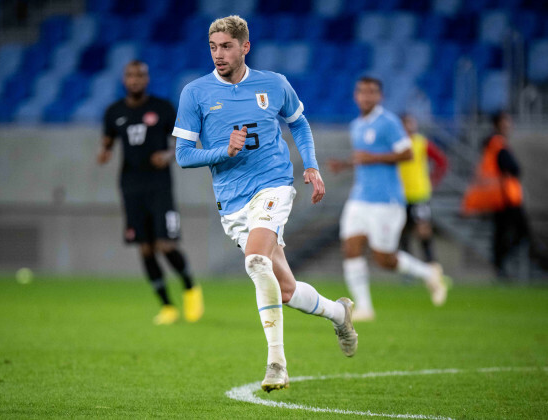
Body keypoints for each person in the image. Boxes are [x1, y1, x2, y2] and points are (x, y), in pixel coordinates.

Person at [173, 15, 358, 393]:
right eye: (213, 47)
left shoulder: (274, 84)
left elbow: (299, 123)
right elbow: (183, 155)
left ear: (245, 47)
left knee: (256, 261)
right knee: (285, 290)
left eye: (226, 46)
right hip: (233, 202)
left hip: (274, 185)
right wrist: (222, 152)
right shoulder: (195, 93)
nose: (219, 54)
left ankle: (277, 363)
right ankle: (341, 313)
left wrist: (311, 166)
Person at [327, 77, 448, 322]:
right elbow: (365, 157)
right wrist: (346, 164)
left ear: (379, 97)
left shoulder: (389, 122)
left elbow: (407, 152)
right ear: (356, 96)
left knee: (384, 259)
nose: (366, 96)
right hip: (360, 197)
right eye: (362, 92)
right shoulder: (357, 125)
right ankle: (364, 307)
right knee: (350, 247)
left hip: (387, 200)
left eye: (372, 92)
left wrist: (372, 158)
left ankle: (428, 273)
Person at [98, 60, 203, 325]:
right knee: (145, 249)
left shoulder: (162, 108)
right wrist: (105, 151)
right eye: (130, 75)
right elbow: (108, 139)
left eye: (140, 75)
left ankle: (190, 287)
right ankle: (167, 306)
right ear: (124, 79)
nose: (135, 80)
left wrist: (168, 155)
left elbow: (183, 139)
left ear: (147, 79)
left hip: (159, 186)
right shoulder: (113, 111)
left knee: (165, 244)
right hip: (130, 186)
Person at [462, 111, 529, 278]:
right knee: (520, 232)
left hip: (499, 196)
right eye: (505, 121)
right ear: (497, 124)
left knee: (501, 233)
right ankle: (500, 262)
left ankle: (500, 264)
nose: (509, 125)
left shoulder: (494, 143)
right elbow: (513, 168)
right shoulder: (497, 143)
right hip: (505, 196)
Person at [398, 114, 448, 263]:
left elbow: (441, 161)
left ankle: (431, 264)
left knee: (423, 230)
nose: (410, 127)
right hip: (400, 195)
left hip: (419, 194)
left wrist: (433, 181)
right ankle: (408, 270)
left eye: (412, 124)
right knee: (403, 232)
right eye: (407, 124)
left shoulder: (421, 143)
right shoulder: (396, 144)